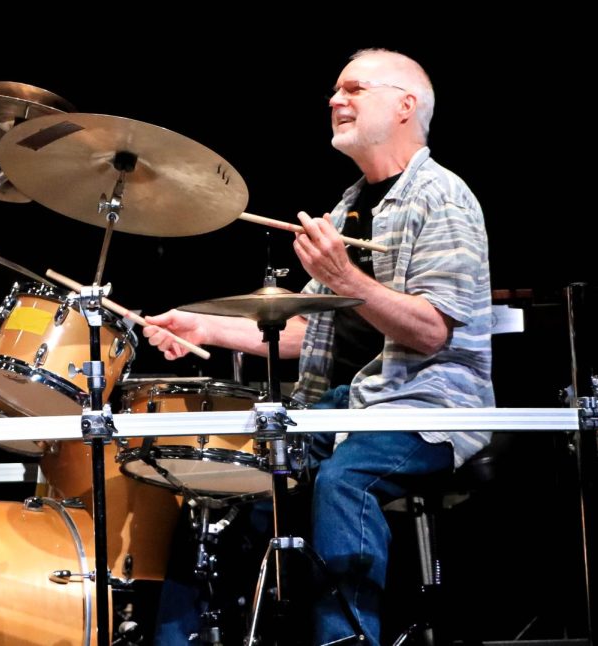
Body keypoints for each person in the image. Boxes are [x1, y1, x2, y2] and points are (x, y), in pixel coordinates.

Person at [144, 48, 494, 645]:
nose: (336, 101)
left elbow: (433, 330)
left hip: (428, 409)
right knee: (228, 479)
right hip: (344, 405)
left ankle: (348, 640)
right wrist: (202, 327)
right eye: (336, 91)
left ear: (405, 105)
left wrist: (346, 279)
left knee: (343, 481)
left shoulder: (443, 197)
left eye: (354, 89)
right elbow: (308, 329)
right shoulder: (350, 206)